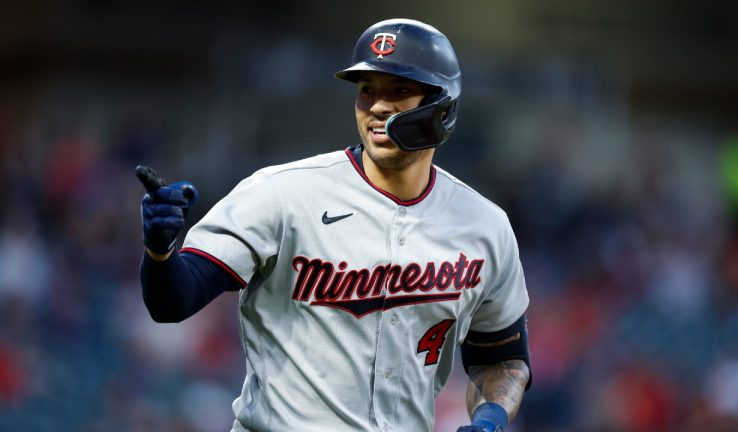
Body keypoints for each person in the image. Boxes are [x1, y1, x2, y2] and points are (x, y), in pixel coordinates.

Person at [138, 18, 531, 432]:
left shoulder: (486, 226)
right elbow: (172, 303)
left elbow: (501, 359)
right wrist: (160, 253)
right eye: (367, 90)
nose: (378, 106)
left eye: (399, 90)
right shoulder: (281, 194)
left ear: (443, 107)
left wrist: (492, 416)